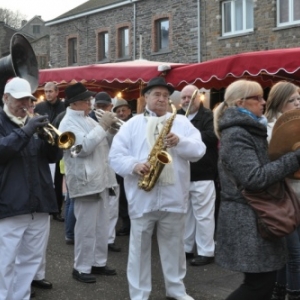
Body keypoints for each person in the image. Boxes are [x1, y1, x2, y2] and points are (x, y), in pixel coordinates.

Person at [109, 76, 206, 300]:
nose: (162, 99)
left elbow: (199, 150)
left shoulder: (181, 123)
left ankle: (176, 289)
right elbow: (115, 156)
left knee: (174, 248)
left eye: (165, 95)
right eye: (156, 94)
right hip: (143, 196)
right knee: (139, 249)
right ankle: (140, 294)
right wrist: (135, 166)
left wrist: (180, 142)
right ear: (146, 98)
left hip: (173, 197)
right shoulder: (132, 125)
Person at [213, 79, 300, 300]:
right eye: (258, 97)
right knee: (258, 285)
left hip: (255, 216)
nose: (263, 102)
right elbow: (254, 178)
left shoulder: (249, 129)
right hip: (248, 219)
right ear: (240, 102)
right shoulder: (237, 134)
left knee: (262, 283)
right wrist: (296, 157)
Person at [0, 77, 62, 300]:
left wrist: (52, 142)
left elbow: (51, 158)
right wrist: (26, 131)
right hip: (11, 203)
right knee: (4, 263)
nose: (24, 104)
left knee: (30, 260)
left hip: (39, 203)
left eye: (27, 99)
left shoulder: (32, 122)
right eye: (19, 100)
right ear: (5, 98)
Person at [58, 82, 118, 284]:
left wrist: (111, 130)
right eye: (87, 100)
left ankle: (98, 263)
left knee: (101, 225)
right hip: (85, 181)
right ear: (76, 103)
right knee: (85, 228)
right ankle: (81, 267)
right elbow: (83, 148)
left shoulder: (88, 119)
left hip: (101, 179)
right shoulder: (68, 123)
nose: (91, 102)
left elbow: (103, 142)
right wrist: (103, 126)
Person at [264, 81, 300, 300]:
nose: (297, 103)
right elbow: (273, 163)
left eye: (299, 99)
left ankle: (279, 292)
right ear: (278, 103)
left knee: (291, 253)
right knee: (293, 253)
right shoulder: (267, 128)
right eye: (292, 100)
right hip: (283, 196)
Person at [178, 85, 218, 266]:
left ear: (198, 98)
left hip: (203, 172)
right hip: (183, 173)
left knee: (204, 215)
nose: (186, 100)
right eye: (184, 97)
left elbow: (211, 137)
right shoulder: (178, 116)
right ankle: (186, 249)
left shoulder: (208, 116)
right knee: (185, 214)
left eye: (190, 97)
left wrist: (185, 138)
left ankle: (206, 251)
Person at [90, 91, 121, 252]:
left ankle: (109, 239)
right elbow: (92, 144)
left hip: (112, 169)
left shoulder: (114, 119)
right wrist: (104, 127)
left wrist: (113, 130)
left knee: (112, 207)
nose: (101, 109)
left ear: (111, 106)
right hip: (96, 170)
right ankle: (99, 241)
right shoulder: (90, 120)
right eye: (98, 106)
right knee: (98, 211)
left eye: (104, 106)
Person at [35, 81, 66, 222]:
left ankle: (57, 210)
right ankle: (45, 206)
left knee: (58, 181)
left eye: (50, 91)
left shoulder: (64, 106)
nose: (47, 94)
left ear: (57, 92)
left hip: (59, 147)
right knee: (45, 179)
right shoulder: (40, 107)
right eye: (46, 91)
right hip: (44, 147)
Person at [113, 98, 133, 237]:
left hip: (133, 163)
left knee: (131, 195)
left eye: (123, 110)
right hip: (120, 164)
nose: (121, 113)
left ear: (129, 111)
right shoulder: (114, 125)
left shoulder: (134, 123)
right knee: (122, 197)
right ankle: (126, 224)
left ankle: (132, 223)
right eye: (118, 111)